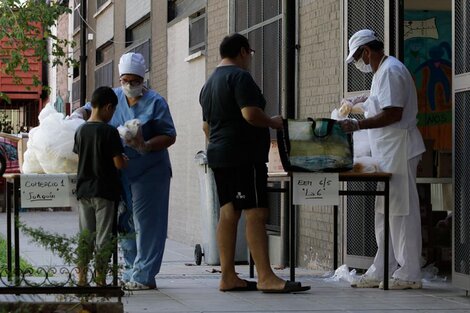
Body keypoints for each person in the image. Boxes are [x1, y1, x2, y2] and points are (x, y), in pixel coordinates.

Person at [199, 33, 310, 293]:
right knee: (256, 212)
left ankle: (228, 276)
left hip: (219, 154)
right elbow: (249, 113)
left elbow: (206, 126)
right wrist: (273, 122)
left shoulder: (209, 83)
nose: (249, 58)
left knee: (228, 212)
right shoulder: (240, 77)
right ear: (242, 52)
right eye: (249, 53)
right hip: (244, 156)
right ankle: (266, 277)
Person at [75, 52, 177, 290]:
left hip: (150, 170)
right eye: (125, 80)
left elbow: (170, 135)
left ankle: (144, 275)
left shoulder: (156, 102)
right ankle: (131, 270)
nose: (129, 85)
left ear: (143, 79)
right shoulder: (114, 97)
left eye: (134, 81)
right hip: (121, 173)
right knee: (125, 222)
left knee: (147, 222)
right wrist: (77, 114)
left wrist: (145, 145)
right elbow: (90, 110)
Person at [341, 29, 426, 290]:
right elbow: (381, 101)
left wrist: (357, 125)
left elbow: (393, 113)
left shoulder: (390, 70)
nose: (360, 63)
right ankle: (383, 267)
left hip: (399, 148)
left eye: (358, 58)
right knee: (386, 211)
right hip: (387, 152)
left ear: (367, 51)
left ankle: (410, 271)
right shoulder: (382, 72)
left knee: (402, 211)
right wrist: (362, 100)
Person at [73, 86, 128, 286]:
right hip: (105, 190)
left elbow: (80, 158)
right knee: (104, 236)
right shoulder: (110, 131)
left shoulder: (80, 131)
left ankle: (81, 278)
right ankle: (101, 278)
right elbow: (118, 163)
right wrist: (124, 159)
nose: (112, 114)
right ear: (107, 107)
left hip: (84, 190)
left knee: (86, 235)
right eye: (113, 110)